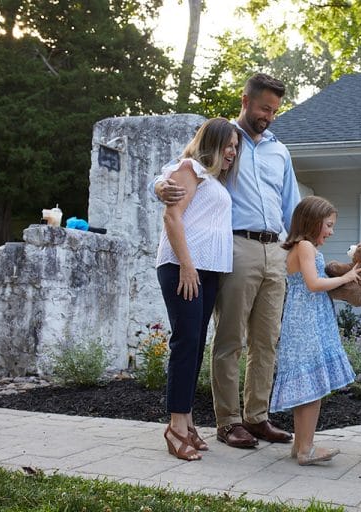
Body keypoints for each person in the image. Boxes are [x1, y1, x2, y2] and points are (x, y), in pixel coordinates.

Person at [156, 73, 300, 448]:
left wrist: (301, 251)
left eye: (275, 110)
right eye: (264, 107)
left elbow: (292, 207)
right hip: (234, 247)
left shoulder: (278, 151)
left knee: (267, 340)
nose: (269, 115)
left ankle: (257, 417)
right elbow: (184, 169)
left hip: (275, 250)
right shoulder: (222, 140)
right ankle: (228, 421)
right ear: (246, 100)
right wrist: (158, 185)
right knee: (230, 337)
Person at [156, 117, 240, 461]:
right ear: (212, 143)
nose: (233, 152)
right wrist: (187, 266)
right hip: (182, 267)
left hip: (206, 271)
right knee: (186, 341)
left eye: (236, 147)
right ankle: (176, 427)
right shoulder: (189, 168)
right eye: (228, 145)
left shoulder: (214, 180)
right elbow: (172, 218)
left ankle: (187, 421)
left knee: (195, 343)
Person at [269, 196, 361, 465]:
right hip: (307, 322)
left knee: (306, 387)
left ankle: (300, 445)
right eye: (329, 225)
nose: (331, 231)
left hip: (304, 319)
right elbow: (312, 283)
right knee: (313, 388)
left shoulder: (299, 247)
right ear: (313, 221)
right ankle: (306, 450)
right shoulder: (306, 246)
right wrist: (345, 278)